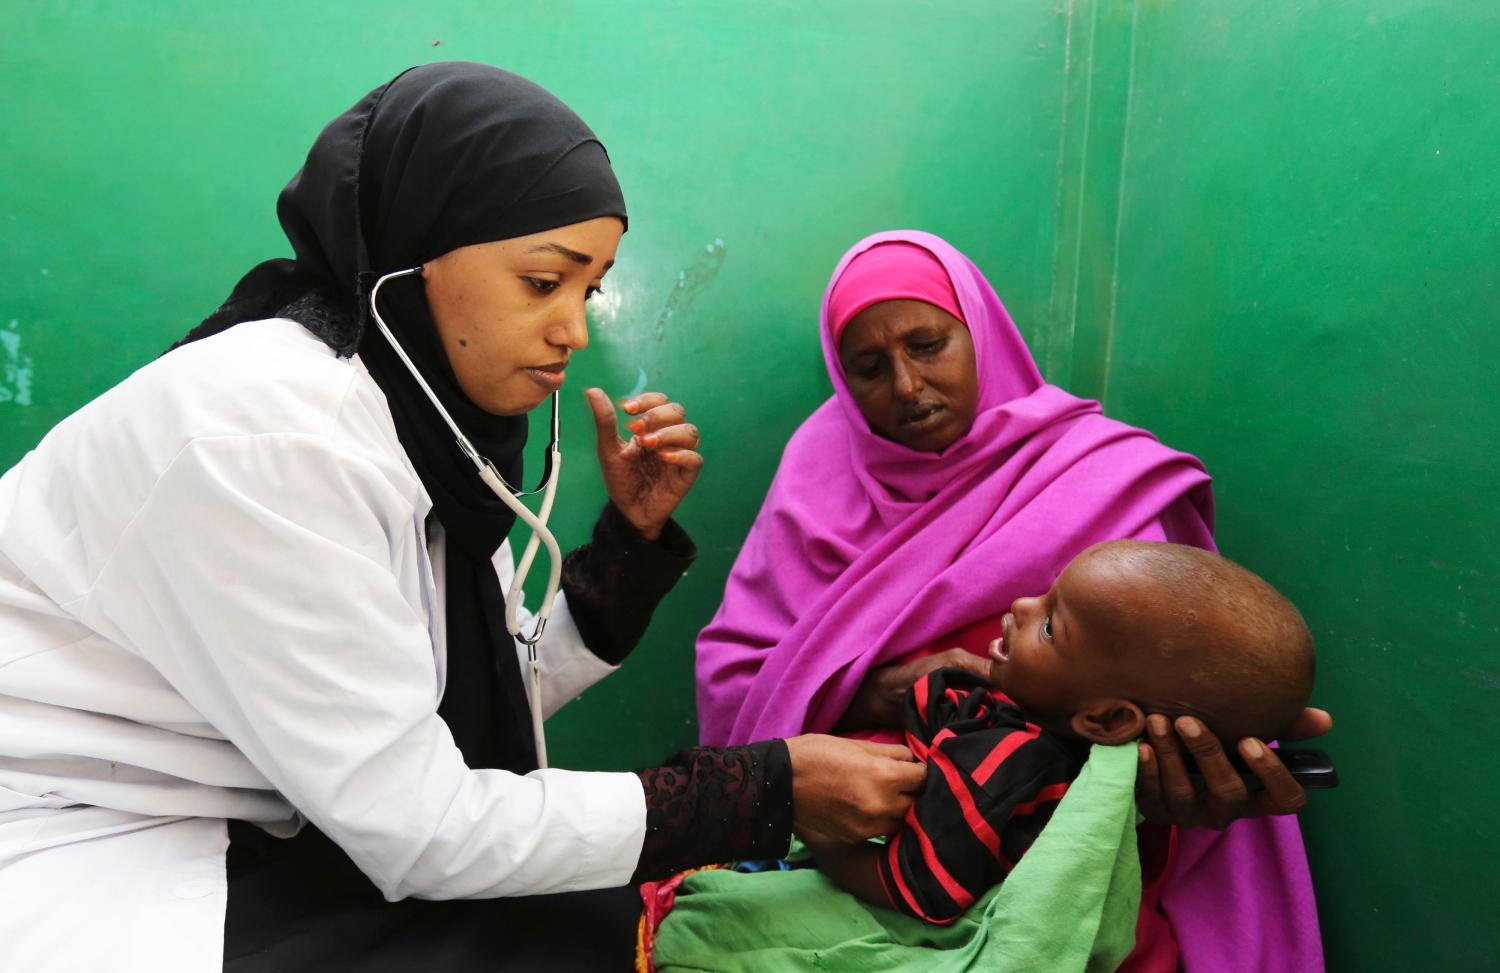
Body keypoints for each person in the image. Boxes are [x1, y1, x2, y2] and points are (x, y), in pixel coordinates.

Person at [0, 63, 924, 973]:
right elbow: (421, 825)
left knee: (580, 918)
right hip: (78, 831)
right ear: (420, 257)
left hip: (233, 810)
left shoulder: (417, 425)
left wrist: (626, 551)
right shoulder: (268, 436)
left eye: (588, 289)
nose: (574, 328)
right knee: (554, 937)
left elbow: (456, 694)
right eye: (541, 282)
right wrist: (761, 793)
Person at [696, 230, 1331, 971]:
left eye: (928, 344)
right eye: (868, 368)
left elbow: (1187, 675)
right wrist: (867, 694)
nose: (904, 385)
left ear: (982, 332)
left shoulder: (1096, 476)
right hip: (854, 828)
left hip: (1047, 841)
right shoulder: (816, 473)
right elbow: (738, 692)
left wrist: (1179, 765)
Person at [807, 540, 1317, 925]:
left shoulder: (998, 763)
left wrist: (819, 836)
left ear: (1108, 722)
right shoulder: (1023, 724)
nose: (1024, 606)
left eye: (1051, 626)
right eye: (1048, 594)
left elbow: (921, 888)